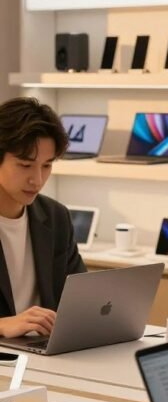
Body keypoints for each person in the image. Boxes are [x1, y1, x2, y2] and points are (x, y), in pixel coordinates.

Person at [0, 97, 85, 340]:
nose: (37, 180)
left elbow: (81, 299)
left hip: (45, 352)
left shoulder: (55, 216)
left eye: (46, 166)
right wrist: (3, 325)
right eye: (25, 165)